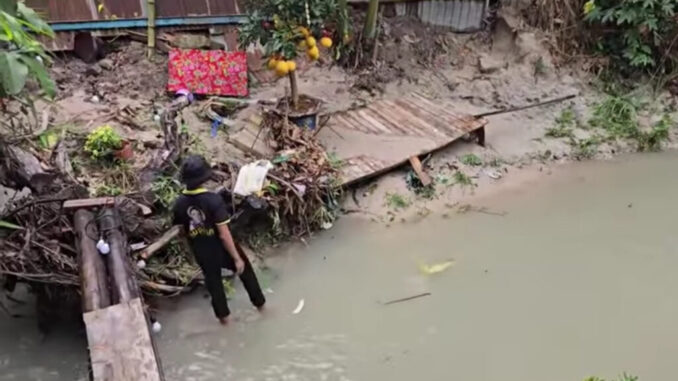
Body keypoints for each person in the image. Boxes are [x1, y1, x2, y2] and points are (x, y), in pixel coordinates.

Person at [172, 155, 266, 325]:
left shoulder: (179, 203)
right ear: (205, 178)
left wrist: (191, 250)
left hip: (201, 250)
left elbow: (181, 231)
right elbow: (224, 234)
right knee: (246, 270)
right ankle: (261, 307)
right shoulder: (213, 200)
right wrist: (236, 258)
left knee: (213, 282)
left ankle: (225, 321)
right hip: (220, 248)